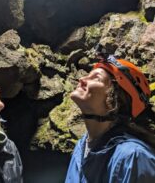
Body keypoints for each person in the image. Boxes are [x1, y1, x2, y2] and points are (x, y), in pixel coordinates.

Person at [65, 45, 155, 183]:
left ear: (114, 99)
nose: (82, 79)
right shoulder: (82, 146)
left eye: (96, 78)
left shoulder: (134, 157)